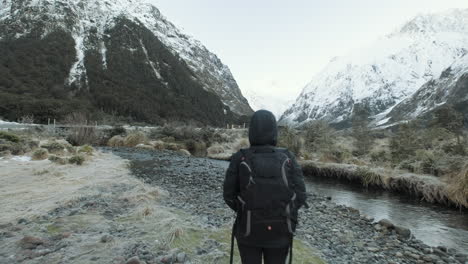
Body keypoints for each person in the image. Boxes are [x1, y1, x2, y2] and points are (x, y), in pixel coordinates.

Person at [223, 110, 307, 264]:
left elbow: (229, 195)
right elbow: (300, 196)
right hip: (281, 232)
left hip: (247, 231)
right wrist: (285, 211)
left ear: (251, 131)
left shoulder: (240, 157)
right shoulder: (288, 157)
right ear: (274, 131)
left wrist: (244, 209)